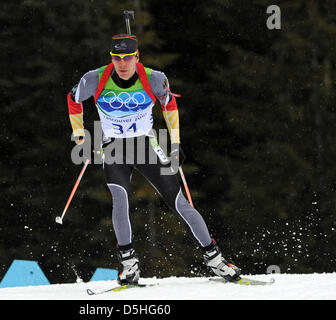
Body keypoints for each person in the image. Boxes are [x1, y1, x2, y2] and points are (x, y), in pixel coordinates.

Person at [67, 34, 241, 284]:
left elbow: (169, 106)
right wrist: (78, 132)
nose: (122, 64)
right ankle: (129, 265)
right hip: (114, 146)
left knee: (179, 202)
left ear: (137, 57)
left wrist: (176, 143)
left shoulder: (154, 79)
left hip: (145, 144)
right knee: (120, 199)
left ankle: (216, 260)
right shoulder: (94, 79)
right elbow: (73, 99)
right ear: (111, 58)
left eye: (128, 58)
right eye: (117, 58)